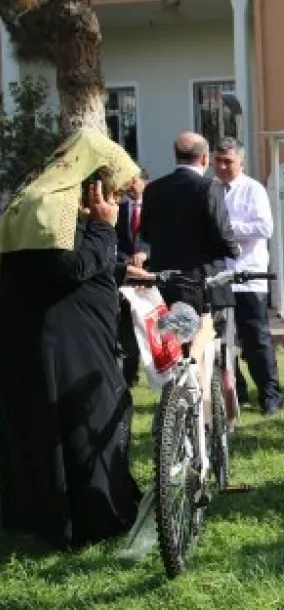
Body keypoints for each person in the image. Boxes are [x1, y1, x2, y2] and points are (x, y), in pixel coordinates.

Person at [0, 127, 152, 549]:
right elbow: (65, 269)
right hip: (66, 347)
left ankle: (41, 515)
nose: (116, 202)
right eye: (114, 191)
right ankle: (91, 519)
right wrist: (106, 230)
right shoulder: (51, 205)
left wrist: (118, 269)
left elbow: (64, 265)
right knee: (84, 425)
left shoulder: (43, 201)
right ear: (93, 180)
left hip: (55, 338)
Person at [140, 132, 240, 423]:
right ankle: (206, 417)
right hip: (203, 283)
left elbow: (145, 233)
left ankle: (176, 406)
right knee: (206, 348)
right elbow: (222, 234)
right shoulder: (209, 187)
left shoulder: (154, 190)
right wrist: (232, 249)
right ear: (205, 158)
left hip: (167, 284)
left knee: (175, 347)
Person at [213, 137, 284, 417]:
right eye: (218, 161)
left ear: (241, 162)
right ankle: (236, 392)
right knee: (221, 340)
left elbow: (265, 227)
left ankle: (270, 395)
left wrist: (226, 228)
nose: (221, 166)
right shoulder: (211, 190)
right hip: (219, 276)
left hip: (249, 275)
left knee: (256, 339)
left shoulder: (252, 189)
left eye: (228, 161)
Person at [115, 168, 149, 386]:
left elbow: (161, 236)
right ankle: (129, 375)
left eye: (133, 181)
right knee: (126, 327)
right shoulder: (119, 209)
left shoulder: (157, 207)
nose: (130, 186)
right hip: (127, 275)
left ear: (145, 181)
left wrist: (146, 253)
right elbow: (113, 240)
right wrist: (125, 260)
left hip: (150, 273)